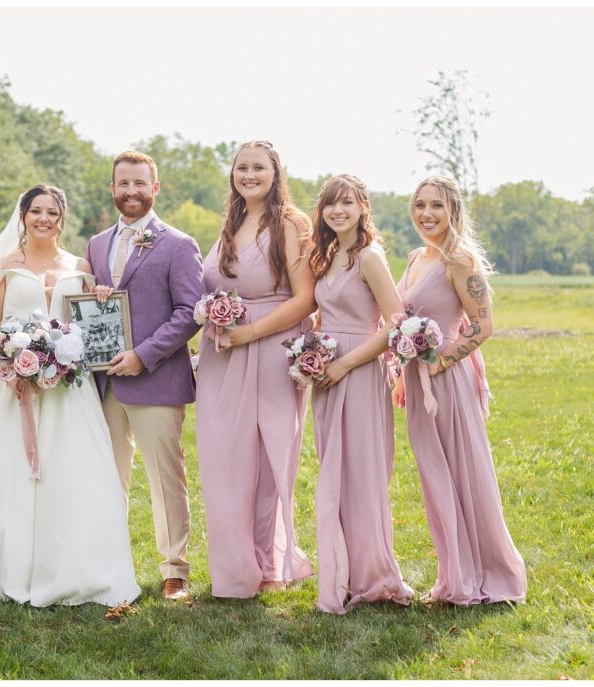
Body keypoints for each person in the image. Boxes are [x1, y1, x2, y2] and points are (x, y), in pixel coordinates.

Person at [0, 184, 140, 606]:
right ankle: (0, 568)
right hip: (15, 390)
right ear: (23, 215)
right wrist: (11, 362)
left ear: (62, 219)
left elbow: (90, 321)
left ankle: (77, 570)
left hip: (70, 391)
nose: (44, 219)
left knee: (74, 474)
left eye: (52, 212)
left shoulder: (81, 264)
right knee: (5, 476)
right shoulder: (4, 265)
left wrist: (101, 297)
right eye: (36, 211)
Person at [393, 176, 526, 605]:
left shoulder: (459, 260)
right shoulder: (416, 257)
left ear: (453, 211)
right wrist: (403, 371)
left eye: (436, 206)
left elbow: (484, 325)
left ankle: (484, 574)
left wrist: (441, 362)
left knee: (462, 474)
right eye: (420, 205)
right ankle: (453, 575)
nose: (426, 214)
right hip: (418, 381)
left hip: (447, 381)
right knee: (436, 480)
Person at [195, 141, 316, 598]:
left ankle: (265, 566)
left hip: (269, 350)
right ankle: (233, 570)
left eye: (258, 168)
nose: (249, 175)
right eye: (242, 168)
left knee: (267, 463)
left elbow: (305, 298)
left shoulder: (291, 223)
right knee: (222, 458)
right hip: (220, 356)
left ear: (275, 173)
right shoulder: (231, 223)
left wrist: (249, 332)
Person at [86, 151, 204, 600]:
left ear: (155, 188)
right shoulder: (97, 244)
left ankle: (175, 568)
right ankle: (110, 564)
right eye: (123, 183)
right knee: (106, 476)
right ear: (112, 188)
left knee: (164, 477)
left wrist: (143, 355)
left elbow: (189, 313)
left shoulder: (177, 243)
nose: (130, 191)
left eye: (140, 183)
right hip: (104, 382)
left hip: (156, 378)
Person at [310, 174, 414, 614]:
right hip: (325, 374)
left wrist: (346, 363)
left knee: (362, 475)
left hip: (358, 368)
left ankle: (374, 575)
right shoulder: (327, 254)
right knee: (333, 475)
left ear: (362, 208)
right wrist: (311, 356)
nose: (338, 211)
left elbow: (396, 323)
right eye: (331, 204)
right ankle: (345, 572)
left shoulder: (369, 257)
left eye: (347, 203)